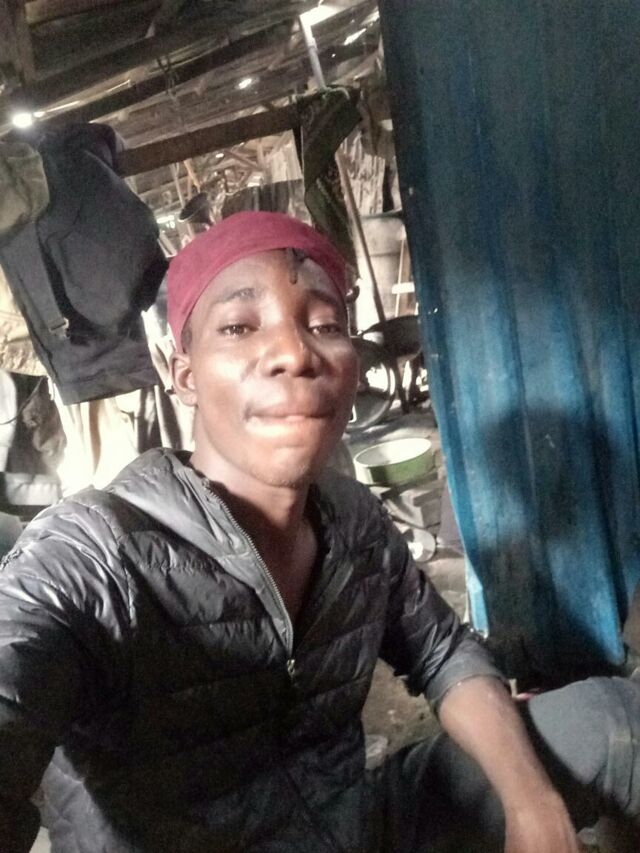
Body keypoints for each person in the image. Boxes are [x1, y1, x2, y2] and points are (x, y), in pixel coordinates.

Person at [0, 212, 638, 853]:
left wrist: (532, 804)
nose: (294, 353)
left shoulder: (352, 522)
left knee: (614, 723)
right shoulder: (94, 559)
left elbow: (443, 652)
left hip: (350, 827)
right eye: (239, 326)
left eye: (325, 325)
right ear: (183, 373)